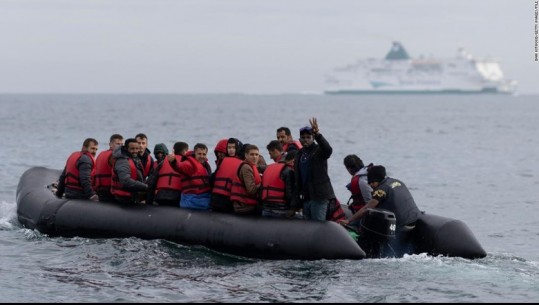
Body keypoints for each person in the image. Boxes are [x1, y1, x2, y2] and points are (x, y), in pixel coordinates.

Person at [340, 165, 422, 255]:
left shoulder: (381, 190)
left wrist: (348, 220)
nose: (370, 185)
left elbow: (366, 208)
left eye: (372, 182)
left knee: (365, 229)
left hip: (400, 226)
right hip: (415, 220)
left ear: (377, 180)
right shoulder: (397, 182)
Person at [293, 118, 336, 221]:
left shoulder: (319, 151)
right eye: (303, 137)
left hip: (319, 197)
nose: (306, 139)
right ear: (299, 140)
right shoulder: (299, 154)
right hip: (306, 197)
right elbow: (298, 181)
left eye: (308, 137)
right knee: (307, 228)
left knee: (318, 227)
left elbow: (328, 150)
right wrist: (295, 204)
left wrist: (318, 135)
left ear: (313, 138)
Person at [174, 143, 212, 210]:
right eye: (199, 154)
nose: (202, 156)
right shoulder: (189, 164)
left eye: (204, 154)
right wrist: (173, 162)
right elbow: (180, 167)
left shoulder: (204, 166)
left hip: (200, 197)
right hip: (191, 199)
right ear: (194, 154)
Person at [110, 138, 148, 204]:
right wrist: (145, 187)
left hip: (133, 195)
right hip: (124, 198)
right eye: (132, 149)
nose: (135, 151)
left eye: (137, 148)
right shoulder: (122, 161)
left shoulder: (135, 159)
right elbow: (125, 181)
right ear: (126, 149)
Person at [146, 142, 185, 206]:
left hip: (161, 197)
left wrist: (149, 202)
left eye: (161, 153)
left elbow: (150, 183)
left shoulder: (162, 163)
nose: (159, 155)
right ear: (185, 152)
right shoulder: (186, 163)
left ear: (173, 151)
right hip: (177, 198)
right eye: (157, 153)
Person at [260, 151, 296, 218]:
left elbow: (261, 190)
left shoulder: (268, 168)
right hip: (281, 209)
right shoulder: (288, 170)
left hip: (265, 209)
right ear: (293, 161)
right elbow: (289, 194)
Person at [230, 144, 262, 215]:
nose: (255, 157)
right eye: (252, 154)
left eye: (257, 155)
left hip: (245, 204)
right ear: (246, 155)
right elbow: (251, 190)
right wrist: (263, 183)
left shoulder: (250, 166)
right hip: (244, 206)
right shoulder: (246, 168)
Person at [93, 134, 124, 202]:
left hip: (100, 190)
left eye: (122, 144)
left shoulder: (100, 154)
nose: (121, 146)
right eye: (118, 144)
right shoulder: (114, 156)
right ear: (110, 144)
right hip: (110, 191)